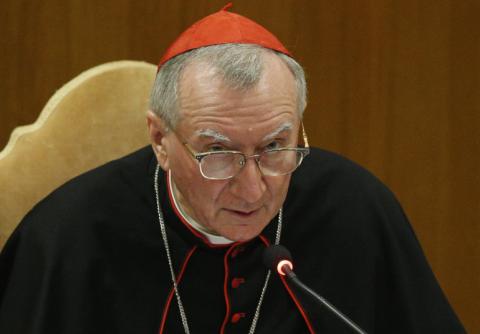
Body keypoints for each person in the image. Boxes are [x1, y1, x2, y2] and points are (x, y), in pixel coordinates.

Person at [0, 4, 465, 334]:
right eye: (218, 153)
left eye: (275, 147)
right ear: (161, 140)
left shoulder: (356, 210)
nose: (252, 189)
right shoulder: (68, 237)